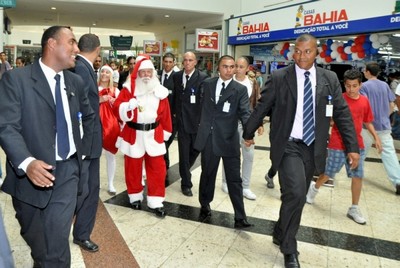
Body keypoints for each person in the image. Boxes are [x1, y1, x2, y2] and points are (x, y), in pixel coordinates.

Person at [242, 33, 359, 268]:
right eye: (298, 51)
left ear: (317, 52)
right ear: (293, 52)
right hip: (288, 145)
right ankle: (289, 247)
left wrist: (352, 147)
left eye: (307, 51)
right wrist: (248, 132)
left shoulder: (329, 79)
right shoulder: (279, 77)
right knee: (295, 193)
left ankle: (280, 230)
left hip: (313, 147)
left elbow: (342, 114)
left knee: (295, 197)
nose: (302, 56)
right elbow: (262, 107)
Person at [0, 25, 95, 267]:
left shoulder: (76, 82)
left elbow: (89, 118)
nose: (76, 48)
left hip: (67, 174)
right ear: (52, 44)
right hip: (28, 178)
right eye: (71, 42)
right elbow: (6, 126)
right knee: (40, 247)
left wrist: (80, 156)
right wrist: (27, 162)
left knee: (56, 248)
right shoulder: (16, 79)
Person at [306, 69, 382, 225]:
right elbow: (330, 119)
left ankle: (354, 208)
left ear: (360, 85)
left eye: (354, 86)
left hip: (357, 145)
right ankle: (314, 188)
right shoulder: (338, 99)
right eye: (348, 86)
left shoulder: (364, 101)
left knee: (357, 176)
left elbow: (367, 121)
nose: (351, 89)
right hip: (337, 144)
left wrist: (376, 137)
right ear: (344, 85)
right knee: (328, 173)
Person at [194, 55, 252, 228]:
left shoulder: (239, 89)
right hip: (209, 140)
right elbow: (198, 106)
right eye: (225, 66)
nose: (229, 70)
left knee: (234, 179)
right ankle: (205, 204)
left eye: (232, 67)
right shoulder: (207, 85)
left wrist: (249, 134)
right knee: (207, 175)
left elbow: (245, 113)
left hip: (229, 140)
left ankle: (240, 216)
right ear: (218, 68)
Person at [113, 55, 172, 218]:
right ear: (137, 73)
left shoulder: (160, 91)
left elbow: (166, 115)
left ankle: (156, 200)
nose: (146, 75)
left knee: (158, 169)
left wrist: (167, 132)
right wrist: (126, 106)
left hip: (154, 134)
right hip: (134, 134)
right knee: (133, 168)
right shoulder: (128, 90)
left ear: (153, 73)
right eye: (143, 72)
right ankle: (135, 196)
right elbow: (116, 109)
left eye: (149, 72)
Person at [72, 33, 102, 253]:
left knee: (86, 189)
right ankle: (82, 234)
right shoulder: (82, 69)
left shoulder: (81, 67)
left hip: (87, 142)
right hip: (87, 143)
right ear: (98, 49)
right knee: (88, 190)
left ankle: (81, 233)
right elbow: (83, 110)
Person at [221, 56, 262, 200]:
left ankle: (245, 186)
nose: (237, 69)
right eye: (235, 66)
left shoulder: (253, 83)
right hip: (230, 124)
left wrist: (260, 124)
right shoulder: (227, 82)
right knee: (229, 154)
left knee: (249, 156)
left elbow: (257, 104)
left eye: (241, 66)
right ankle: (225, 182)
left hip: (247, 125)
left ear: (247, 68)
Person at [361, 62, 400, 195]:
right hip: (384, 126)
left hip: (367, 126)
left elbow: (363, 106)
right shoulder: (384, 85)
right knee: (389, 153)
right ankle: (398, 181)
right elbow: (391, 104)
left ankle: (355, 173)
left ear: (367, 71)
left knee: (361, 150)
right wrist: (384, 116)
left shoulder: (364, 87)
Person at [173, 51, 208, 196]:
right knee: (183, 153)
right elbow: (175, 96)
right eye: (185, 60)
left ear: (195, 63)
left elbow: (205, 100)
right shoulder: (176, 77)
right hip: (181, 121)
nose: (187, 63)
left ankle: (185, 168)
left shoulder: (203, 78)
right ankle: (186, 183)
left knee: (195, 150)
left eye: (190, 60)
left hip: (197, 122)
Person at [98, 64, 120, 195]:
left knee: (111, 156)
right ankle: (97, 182)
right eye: (102, 72)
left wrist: (114, 101)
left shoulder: (116, 91)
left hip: (111, 128)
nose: (104, 74)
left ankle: (111, 183)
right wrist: (100, 99)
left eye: (107, 72)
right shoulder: (93, 88)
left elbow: (121, 108)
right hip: (96, 126)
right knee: (97, 156)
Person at [158, 52, 177, 170]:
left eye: (170, 62)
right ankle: (164, 166)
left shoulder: (177, 76)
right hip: (158, 116)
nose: (168, 64)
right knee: (161, 141)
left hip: (171, 116)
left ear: (174, 63)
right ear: (162, 62)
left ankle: (164, 164)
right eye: (166, 61)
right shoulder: (156, 75)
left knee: (166, 141)